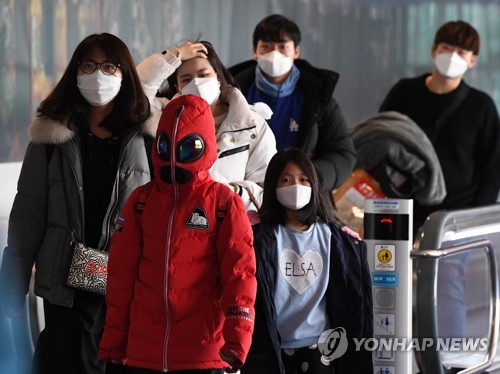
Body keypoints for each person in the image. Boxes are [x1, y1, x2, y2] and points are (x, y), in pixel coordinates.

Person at [0, 33, 158, 373]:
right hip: (64, 286)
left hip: (126, 286)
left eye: (108, 66)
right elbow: (27, 216)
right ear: (75, 72)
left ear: (124, 74)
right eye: (88, 65)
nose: (97, 74)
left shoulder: (146, 140)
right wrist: (11, 286)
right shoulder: (51, 138)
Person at [98, 94, 257, 374]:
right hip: (144, 351)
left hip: (204, 351)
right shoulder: (141, 201)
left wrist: (238, 338)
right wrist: (114, 339)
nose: (174, 158)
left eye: (187, 149)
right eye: (166, 147)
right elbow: (120, 277)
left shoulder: (222, 202)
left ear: (205, 146)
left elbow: (240, 276)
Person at [379, 20, 500, 338]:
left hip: (452, 218)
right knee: (391, 288)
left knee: (447, 291)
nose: (452, 56)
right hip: (401, 211)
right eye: (446, 48)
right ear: (434, 50)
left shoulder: (481, 107)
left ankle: (446, 360)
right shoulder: (404, 92)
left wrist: (473, 217)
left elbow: (492, 167)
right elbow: (378, 140)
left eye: (461, 51)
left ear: (472, 60)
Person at [241, 148, 373, 374]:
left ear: (314, 185)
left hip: (319, 349)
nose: (296, 187)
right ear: (273, 186)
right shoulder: (257, 237)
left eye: (304, 180)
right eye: (286, 179)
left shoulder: (337, 239)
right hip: (270, 349)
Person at [137, 40, 277, 210]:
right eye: (186, 79)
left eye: (203, 75)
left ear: (218, 77)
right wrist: (175, 55)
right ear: (178, 87)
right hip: (176, 223)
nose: (196, 83)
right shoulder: (165, 118)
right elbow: (136, 92)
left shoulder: (251, 124)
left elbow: (266, 191)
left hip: (230, 225)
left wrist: (229, 192)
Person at [229, 14, 357, 194]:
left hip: (303, 199)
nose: (274, 54)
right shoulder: (232, 93)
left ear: (296, 52)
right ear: (255, 52)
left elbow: (343, 155)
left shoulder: (318, 99)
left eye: (283, 47)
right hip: (244, 195)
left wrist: (306, 179)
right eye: (266, 46)